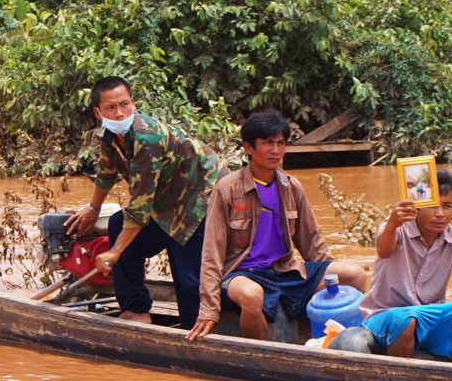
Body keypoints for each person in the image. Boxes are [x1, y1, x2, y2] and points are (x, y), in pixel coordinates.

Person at [188, 111, 366, 341]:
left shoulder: (291, 186)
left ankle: (336, 340)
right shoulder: (227, 189)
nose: (276, 151)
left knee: (355, 274)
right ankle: (262, 352)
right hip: (242, 274)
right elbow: (212, 253)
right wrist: (209, 309)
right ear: (249, 148)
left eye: (281, 143)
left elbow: (313, 243)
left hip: (285, 271)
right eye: (268, 143)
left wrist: (329, 281)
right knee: (252, 295)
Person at [65, 76, 226, 329]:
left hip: (202, 199)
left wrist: (114, 252)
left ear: (134, 103)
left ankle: (196, 329)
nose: (119, 113)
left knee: (187, 275)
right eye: (110, 108)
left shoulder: (146, 137)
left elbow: (140, 209)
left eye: (124, 104)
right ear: (98, 112)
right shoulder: (110, 136)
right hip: (169, 201)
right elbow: (107, 174)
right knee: (118, 223)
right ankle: (136, 309)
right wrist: (93, 209)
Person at [359, 169, 452, 363]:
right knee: (406, 319)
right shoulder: (397, 228)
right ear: (418, 206)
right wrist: (392, 224)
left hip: (428, 317)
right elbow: (383, 250)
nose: (440, 214)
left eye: (447, 206)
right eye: (432, 206)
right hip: (385, 316)